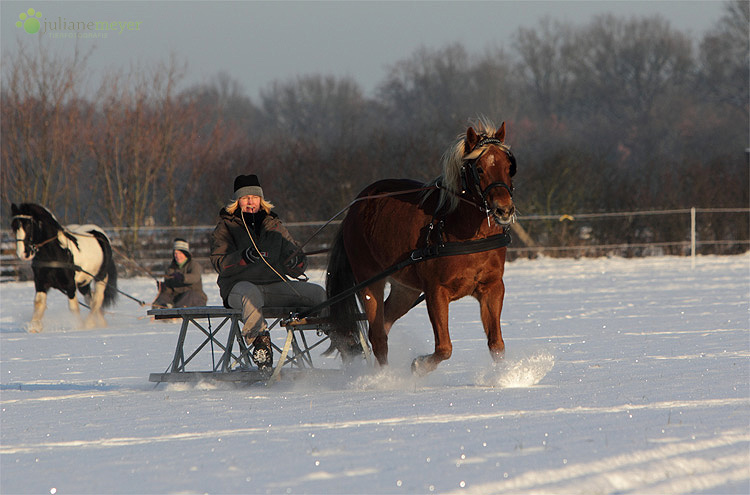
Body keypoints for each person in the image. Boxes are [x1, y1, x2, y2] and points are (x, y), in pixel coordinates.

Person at [210, 174, 326, 370]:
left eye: (254, 197)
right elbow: (219, 262)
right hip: (238, 288)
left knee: (318, 294)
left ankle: (344, 339)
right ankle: (261, 345)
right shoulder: (225, 226)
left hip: (274, 285)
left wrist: (296, 262)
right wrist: (243, 257)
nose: (250, 202)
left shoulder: (274, 224)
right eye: (245, 198)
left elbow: (296, 258)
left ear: (261, 199)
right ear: (237, 201)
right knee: (250, 294)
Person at [152, 238, 208, 310]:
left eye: (180, 253)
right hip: (177, 298)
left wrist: (183, 277)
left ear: (185, 254)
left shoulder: (194, 265)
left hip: (195, 298)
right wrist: (164, 287)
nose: (177, 256)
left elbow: (195, 277)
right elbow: (170, 290)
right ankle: (159, 312)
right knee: (163, 297)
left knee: (190, 295)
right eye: (175, 253)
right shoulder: (171, 268)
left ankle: (176, 312)